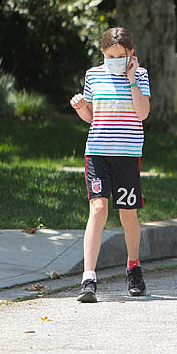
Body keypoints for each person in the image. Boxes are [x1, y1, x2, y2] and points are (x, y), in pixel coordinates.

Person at [70, 27, 151, 303]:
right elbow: (93, 117)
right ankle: (89, 277)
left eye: (122, 55)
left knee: (128, 214)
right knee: (98, 207)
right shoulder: (93, 75)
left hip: (127, 155)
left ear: (131, 54)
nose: (116, 59)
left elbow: (142, 113)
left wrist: (131, 79)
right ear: (103, 53)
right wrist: (82, 107)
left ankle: (133, 266)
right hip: (98, 153)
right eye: (111, 55)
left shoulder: (140, 76)